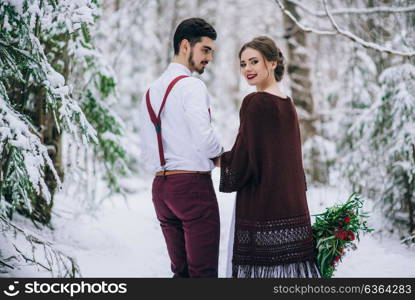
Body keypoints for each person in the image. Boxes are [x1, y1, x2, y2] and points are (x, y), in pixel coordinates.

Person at [217, 36, 321, 278]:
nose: (247, 69)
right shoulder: (288, 103)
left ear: (272, 63)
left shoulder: (255, 102)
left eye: (254, 61)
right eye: (243, 64)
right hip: (292, 206)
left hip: (262, 206)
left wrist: (216, 160)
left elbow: (244, 159)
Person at [139, 18, 223, 278]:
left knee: (181, 273)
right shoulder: (192, 86)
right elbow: (204, 138)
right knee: (202, 274)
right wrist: (221, 154)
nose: (209, 58)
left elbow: (146, 149)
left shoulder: (151, 91)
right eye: (205, 50)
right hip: (192, 189)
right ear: (185, 46)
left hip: (161, 190)